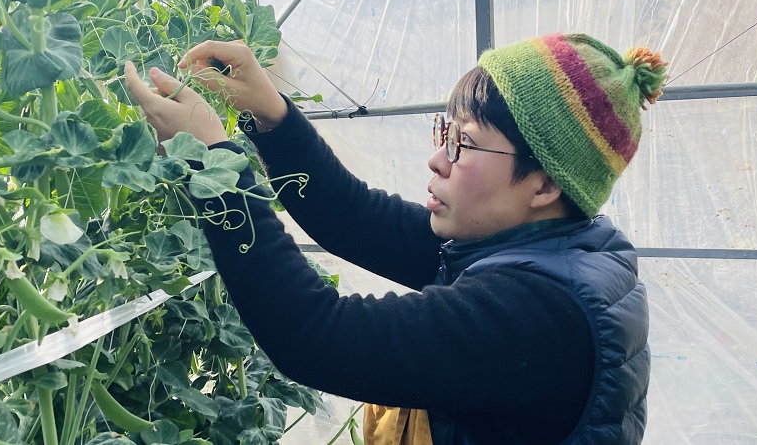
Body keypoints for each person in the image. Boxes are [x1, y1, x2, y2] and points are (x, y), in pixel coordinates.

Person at [123, 32, 667, 445]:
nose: (437, 159)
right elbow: (354, 216)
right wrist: (273, 116)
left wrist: (216, 167)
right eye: (443, 133)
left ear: (545, 183)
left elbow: (314, 336)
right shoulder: (539, 246)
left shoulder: (540, 315)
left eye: (464, 144)